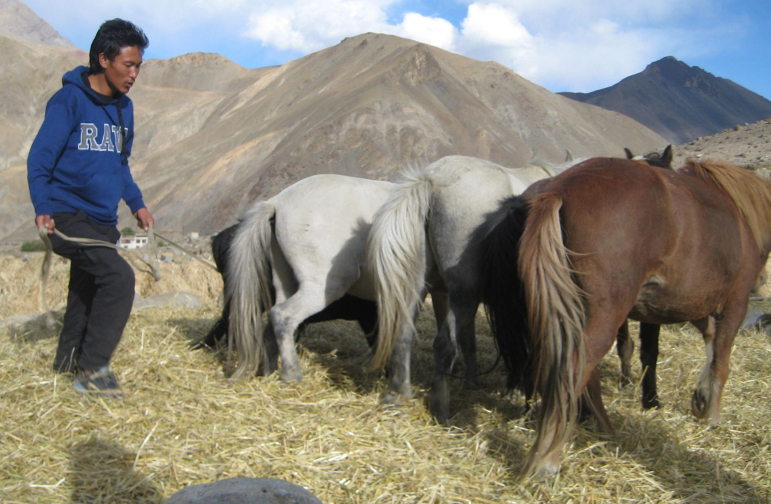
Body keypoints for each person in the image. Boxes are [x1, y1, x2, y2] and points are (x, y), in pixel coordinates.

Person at [27, 19, 154, 396]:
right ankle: (93, 370)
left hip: (103, 219)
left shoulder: (124, 109)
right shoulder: (69, 100)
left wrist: (136, 203)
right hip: (66, 214)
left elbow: (119, 163)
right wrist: (43, 205)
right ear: (103, 59)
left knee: (86, 290)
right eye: (128, 65)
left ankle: (67, 365)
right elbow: (40, 158)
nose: (134, 75)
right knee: (118, 279)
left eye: (138, 67)